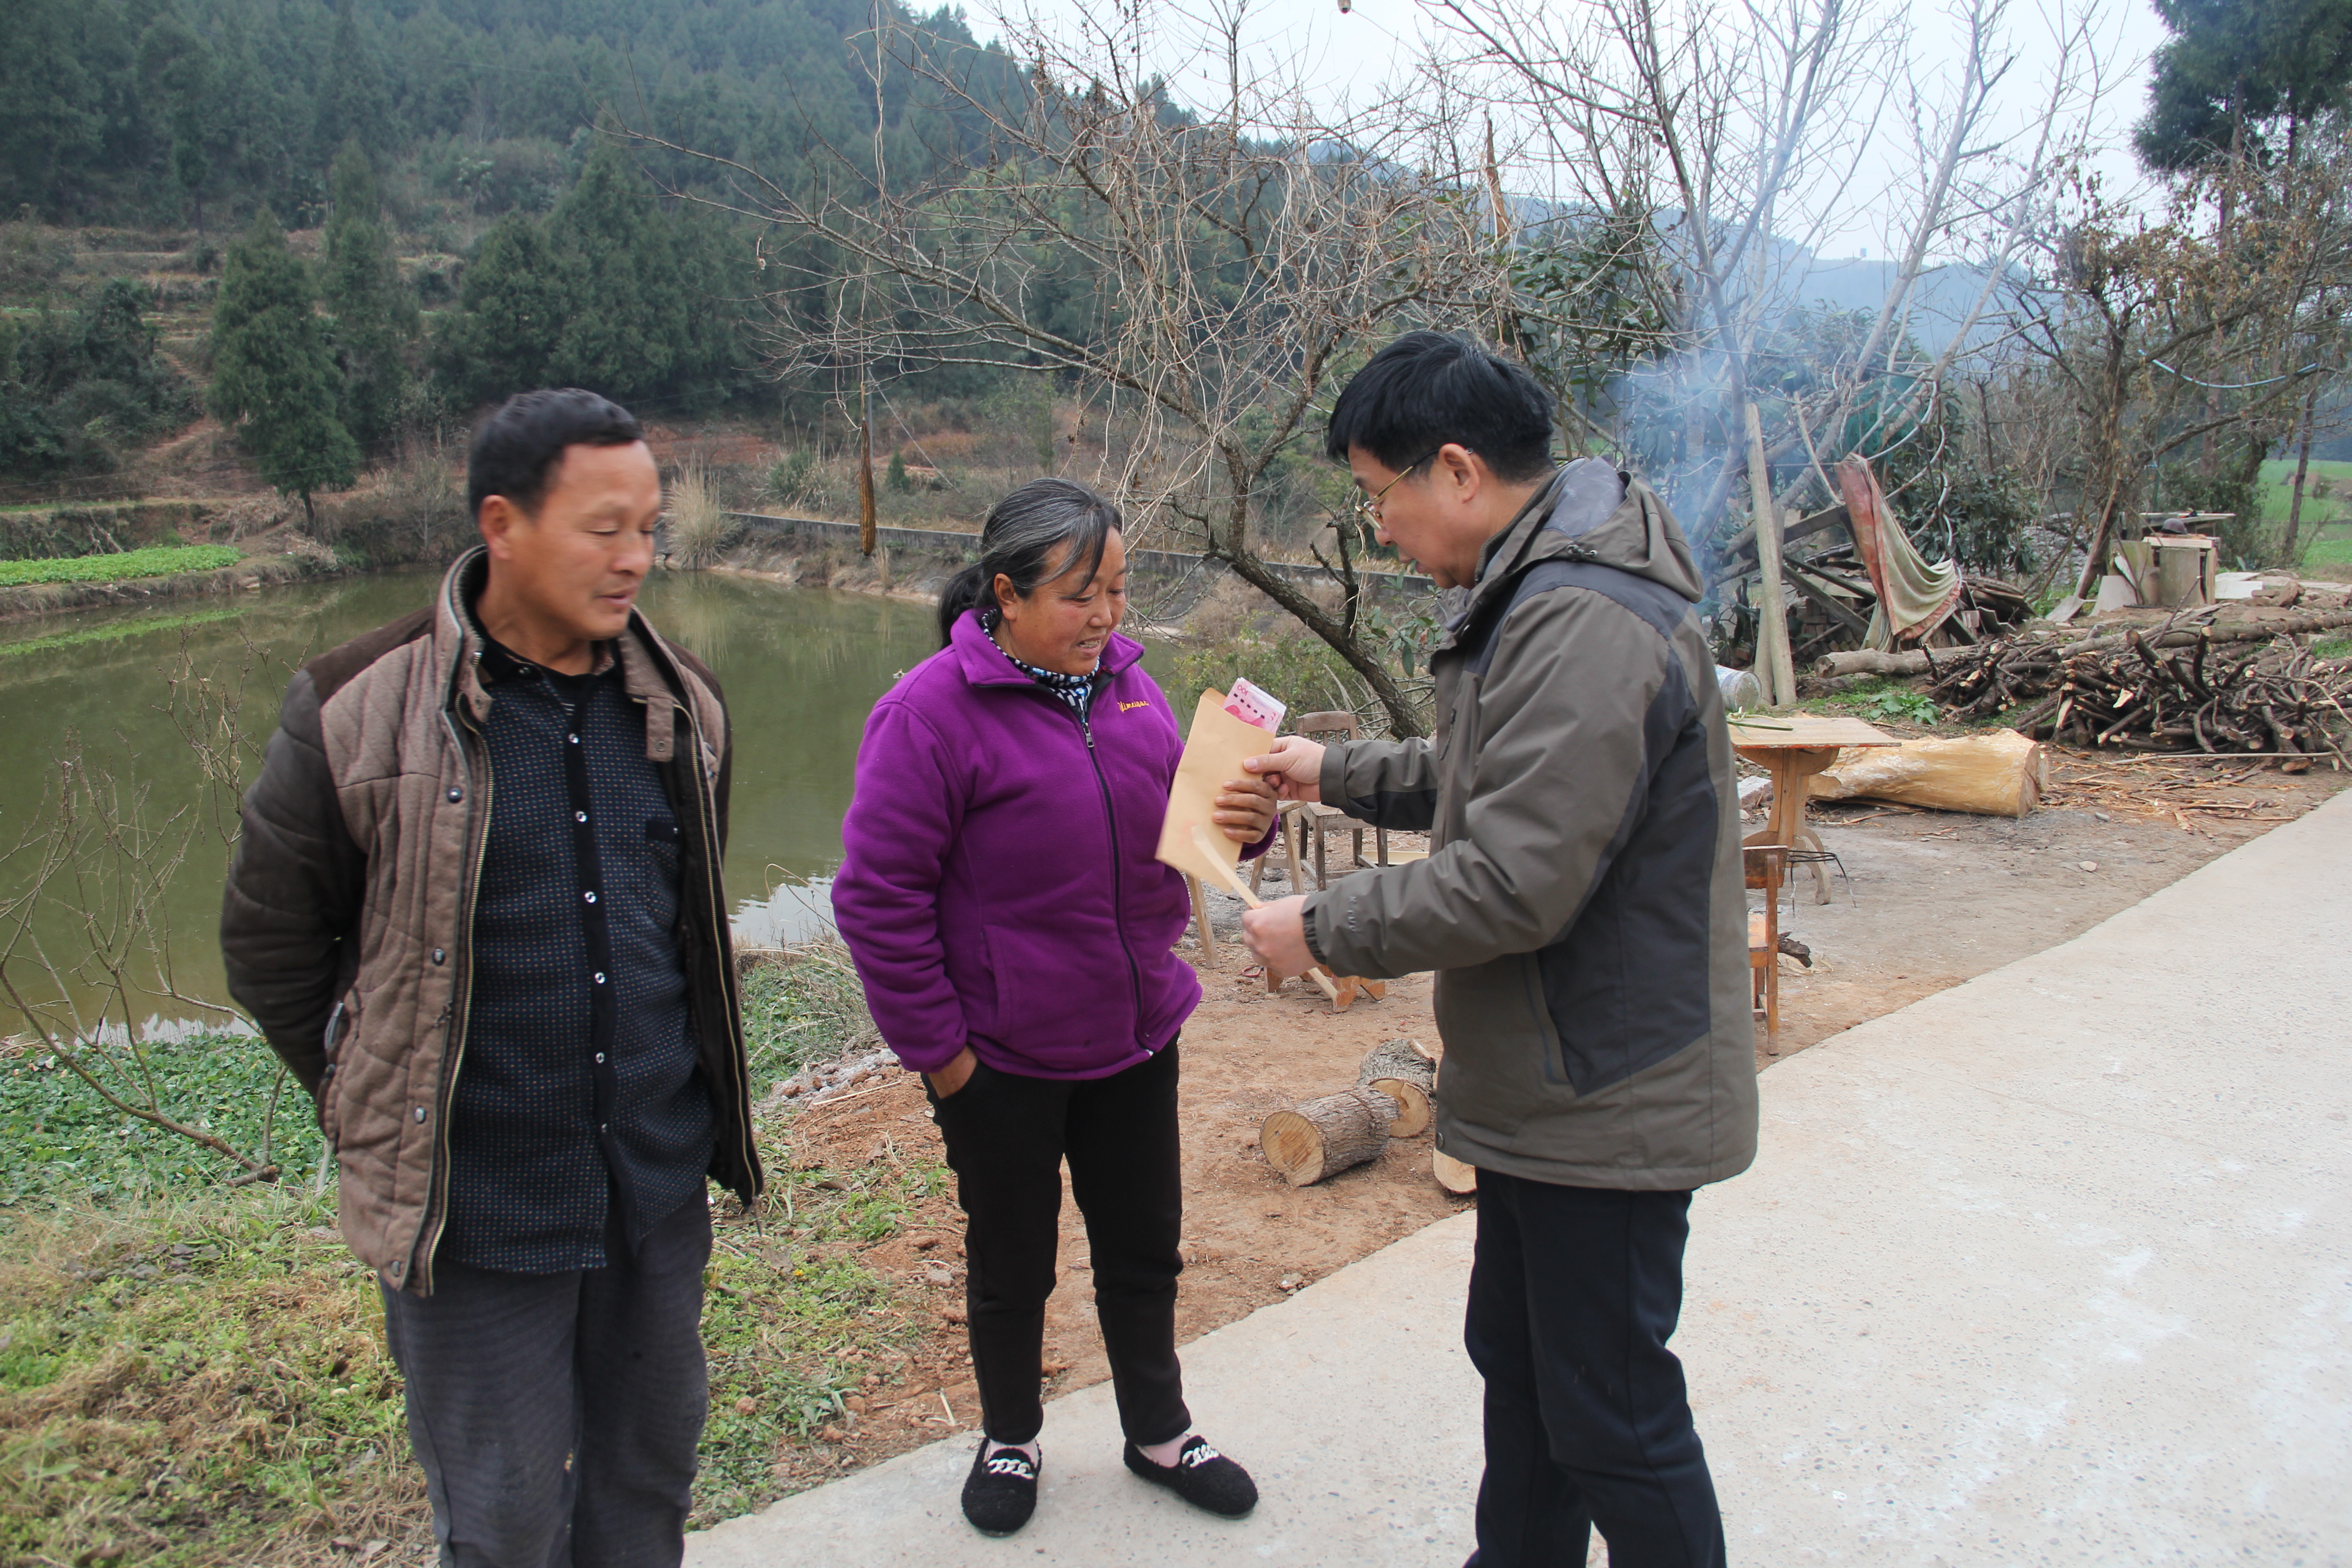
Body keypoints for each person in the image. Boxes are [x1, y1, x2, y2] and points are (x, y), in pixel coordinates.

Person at [1240, 332, 1758, 1568]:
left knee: (1613, 1419)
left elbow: (1516, 879)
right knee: (1526, 1372)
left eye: (1381, 495)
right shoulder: (1544, 587)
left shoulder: (1582, 617)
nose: (1381, 526)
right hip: (1555, 1082)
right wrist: (1333, 769)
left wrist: (1313, 928)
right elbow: (1495, 784)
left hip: (1608, 1093)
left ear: (1458, 472)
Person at [220, 388, 761, 1566]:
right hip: (475, 1211)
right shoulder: (354, 709)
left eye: (649, 527)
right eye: (603, 527)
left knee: (647, 1487)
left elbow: (685, 933)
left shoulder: (688, 705)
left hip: (649, 1197)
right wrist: (371, 1091)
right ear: (503, 524)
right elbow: (270, 948)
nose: (637, 558)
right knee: (506, 1521)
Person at [832, 477, 1278, 1538]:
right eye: (1083, 596)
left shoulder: (1131, 686)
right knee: (1012, 1262)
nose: (1108, 618)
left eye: (1119, 591)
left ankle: (1159, 1431)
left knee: (1143, 1250)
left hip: (1133, 1038)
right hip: (1002, 1062)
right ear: (1006, 594)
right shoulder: (927, 715)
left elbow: (1182, 828)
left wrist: (1244, 822)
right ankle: (1011, 1435)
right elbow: (876, 904)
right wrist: (945, 1060)